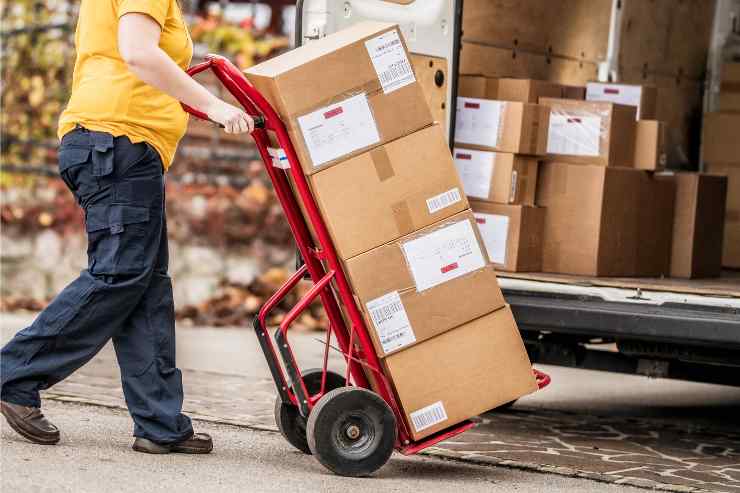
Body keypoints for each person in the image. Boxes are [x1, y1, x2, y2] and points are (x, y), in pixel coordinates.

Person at [1, 0, 254, 454]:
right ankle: (12, 374)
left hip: (122, 146)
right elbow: (138, 53)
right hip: (117, 143)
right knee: (119, 274)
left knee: (144, 284)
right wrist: (214, 105)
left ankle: (159, 422)